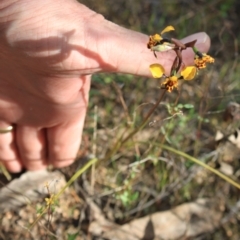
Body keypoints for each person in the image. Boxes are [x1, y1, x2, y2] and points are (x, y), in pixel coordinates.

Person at [0, 0, 210, 172]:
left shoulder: (175, 70)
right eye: (170, 81)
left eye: (171, 82)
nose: (170, 84)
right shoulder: (165, 62)